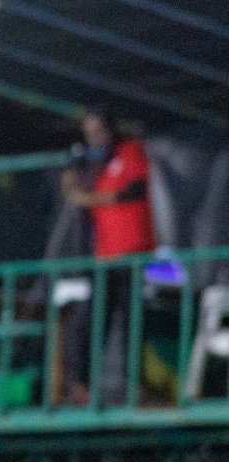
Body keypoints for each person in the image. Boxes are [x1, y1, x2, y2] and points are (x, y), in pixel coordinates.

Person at [60, 106, 156, 406]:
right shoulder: (94, 165)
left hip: (131, 254)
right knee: (90, 320)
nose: (94, 138)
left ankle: (133, 386)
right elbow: (75, 191)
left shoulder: (130, 151)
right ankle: (79, 385)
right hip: (104, 257)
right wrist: (71, 179)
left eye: (98, 131)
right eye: (89, 134)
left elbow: (134, 190)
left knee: (131, 321)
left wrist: (88, 198)